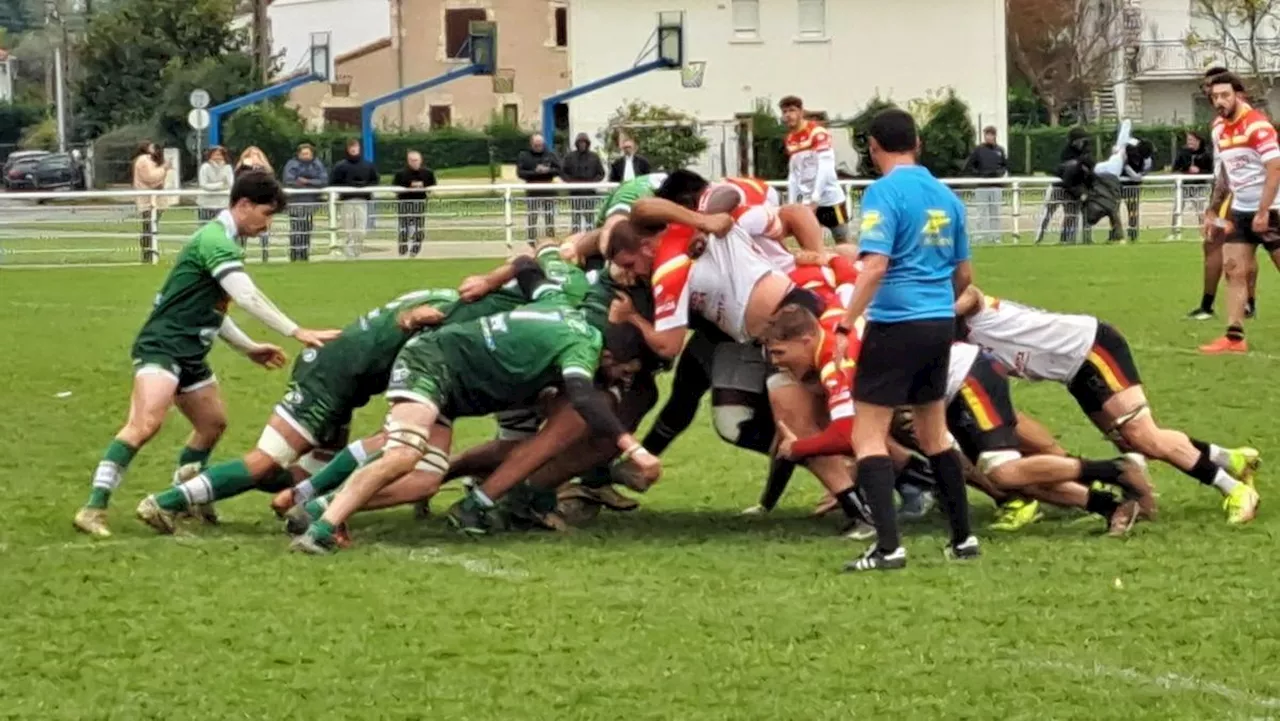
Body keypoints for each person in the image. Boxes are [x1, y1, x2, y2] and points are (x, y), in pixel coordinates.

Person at [71, 171, 341, 539]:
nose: (268, 224)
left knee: (212, 424)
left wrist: (249, 348)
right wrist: (297, 331)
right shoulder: (215, 241)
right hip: (162, 346)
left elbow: (214, 311)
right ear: (243, 205)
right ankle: (94, 507)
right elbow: (246, 297)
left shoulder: (225, 241)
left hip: (191, 351)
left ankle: (185, 499)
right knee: (145, 424)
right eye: (266, 213)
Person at [289, 297, 659, 554]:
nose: (620, 380)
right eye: (622, 371)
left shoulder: (562, 309)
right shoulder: (584, 345)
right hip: (432, 365)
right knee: (403, 453)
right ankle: (320, 531)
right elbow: (582, 395)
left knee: (424, 479)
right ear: (609, 354)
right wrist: (634, 448)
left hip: (448, 383)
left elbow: (532, 270)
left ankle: (318, 505)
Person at [955, 284, 1261, 524]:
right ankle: (1228, 459)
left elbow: (971, 293)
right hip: (1074, 370)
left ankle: (1235, 490)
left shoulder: (969, 311)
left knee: (1144, 437)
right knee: (1136, 441)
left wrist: (936, 311)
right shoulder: (950, 343)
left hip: (1091, 348)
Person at [836, 108, 976, 572]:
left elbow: (874, 265)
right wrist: (939, 308)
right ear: (917, 141)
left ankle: (888, 547)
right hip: (939, 321)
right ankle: (963, 538)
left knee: (867, 434)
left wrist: (844, 323)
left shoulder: (883, 192)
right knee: (934, 431)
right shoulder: (946, 195)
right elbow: (965, 274)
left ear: (873, 148)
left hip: (896, 321)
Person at [1201, 72, 1280, 354]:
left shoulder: (1257, 126)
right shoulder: (1218, 129)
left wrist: (1263, 210)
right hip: (1241, 209)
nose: (1219, 101)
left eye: (1225, 95)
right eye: (1215, 97)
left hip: (1273, 210)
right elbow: (1223, 172)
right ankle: (1235, 338)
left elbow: (1275, 169)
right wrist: (1212, 210)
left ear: (1239, 95)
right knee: (1233, 269)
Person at [1190, 67, 1258, 321]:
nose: (1210, 94)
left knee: (1219, 244)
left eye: (1217, 90)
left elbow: (1232, 169)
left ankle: (1210, 306)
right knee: (1241, 247)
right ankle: (1245, 304)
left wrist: (1213, 205)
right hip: (1234, 191)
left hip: (1238, 194)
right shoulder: (1221, 124)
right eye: (1208, 90)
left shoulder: (1244, 122)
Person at [781, 96, 850, 243]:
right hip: (807, 201)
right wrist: (792, 202)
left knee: (843, 241)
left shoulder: (817, 132)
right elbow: (794, 173)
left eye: (792, 110)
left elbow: (825, 167)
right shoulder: (790, 139)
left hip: (830, 199)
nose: (788, 115)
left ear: (801, 112)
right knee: (810, 244)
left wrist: (815, 198)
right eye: (784, 111)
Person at [329, 138, 380, 258]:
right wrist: (349, 185)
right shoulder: (340, 166)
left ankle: (356, 251)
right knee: (348, 228)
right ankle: (349, 253)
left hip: (362, 200)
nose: (353, 149)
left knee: (361, 229)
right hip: (347, 200)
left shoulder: (368, 165)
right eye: (351, 147)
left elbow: (375, 180)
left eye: (355, 147)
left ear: (359, 148)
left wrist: (364, 186)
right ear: (347, 149)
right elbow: (333, 182)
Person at [281, 143, 328, 262]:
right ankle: (294, 253)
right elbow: (288, 180)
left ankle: (304, 254)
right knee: (296, 228)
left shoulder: (317, 164)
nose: (305, 156)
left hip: (310, 202)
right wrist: (305, 183)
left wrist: (306, 181)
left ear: (312, 154)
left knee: (306, 229)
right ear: (298, 154)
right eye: (303, 153)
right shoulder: (292, 164)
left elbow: (323, 181)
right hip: (295, 202)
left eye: (308, 153)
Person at [962, 126, 1008, 243]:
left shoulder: (1000, 150)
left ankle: (995, 237)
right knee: (981, 212)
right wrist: (980, 175)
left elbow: (1004, 166)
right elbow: (970, 166)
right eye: (986, 134)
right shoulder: (978, 150)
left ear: (994, 136)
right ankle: (980, 235)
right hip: (982, 186)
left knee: (995, 212)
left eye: (990, 134)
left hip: (996, 186)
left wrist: (999, 173)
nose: (988, 137)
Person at [392, 150, 437, 257]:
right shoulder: (400, 174)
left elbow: (432, 187)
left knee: (419, 228)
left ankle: (415, 251)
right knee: (404, 228)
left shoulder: (428, 173)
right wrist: (408, 187)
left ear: (420, 160)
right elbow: (394, 188)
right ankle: (403, 250)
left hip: (419, 203)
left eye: (416, 160)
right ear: (408, 161)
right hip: (404, 203)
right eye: (412, 160)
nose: (414, 162)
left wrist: (423, 187)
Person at [518, 134, 561, 242]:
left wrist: (547, 171)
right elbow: (520, 173)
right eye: (536, 145)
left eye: (540, 144)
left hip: (548, 190)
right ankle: (531, 241)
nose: (538, 147)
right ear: (531, 144)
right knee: (532, 217)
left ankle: (551, 239)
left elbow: (559, 169)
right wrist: (535, 172)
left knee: (549, 217)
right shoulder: (524, 155)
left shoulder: (550, 154)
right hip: (532, 190)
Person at [235, 147, 275, 262]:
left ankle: (265, 254)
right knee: (244, 227)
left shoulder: (266, 171)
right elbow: (239, 181)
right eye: (250, 154)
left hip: (262, 200)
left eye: (256, 154)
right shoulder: (242, 170)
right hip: (247, 201)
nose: (254, 157)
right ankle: (241, 253)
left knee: (263, 228)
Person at [561, 133, 606, 233]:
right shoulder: (570, 157)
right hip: (575, 192)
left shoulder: (594, 157)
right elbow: (563, 172)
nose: (582, 144)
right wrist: (571, 182)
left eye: (584, 142)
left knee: (589, 217)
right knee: (575, 217)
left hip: (589, 192)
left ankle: (589, 237)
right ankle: (575, 236)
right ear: (577, 143)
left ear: (587, 143)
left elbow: (601, 173)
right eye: (580, 142)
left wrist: (592, 183)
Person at [132, 141, 169, 263]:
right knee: (149, 228)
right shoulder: (144, 160)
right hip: (148, 201)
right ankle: (148, 255)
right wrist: (164, 169)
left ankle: (149, 255)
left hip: (153, 200)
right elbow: (150, 178)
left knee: (150, 228)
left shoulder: (148, 160)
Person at [197, 146, 233, 222]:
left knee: (222, 226)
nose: (218, 157)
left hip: (223, 204)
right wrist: (221, 185)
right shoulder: (205, 167)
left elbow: (230, 184)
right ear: (210, 155)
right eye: (215, 154)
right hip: (206, 203)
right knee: (205, 226)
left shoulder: (228, 167)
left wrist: (222, 185)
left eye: (220, 155)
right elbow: (203, 184)